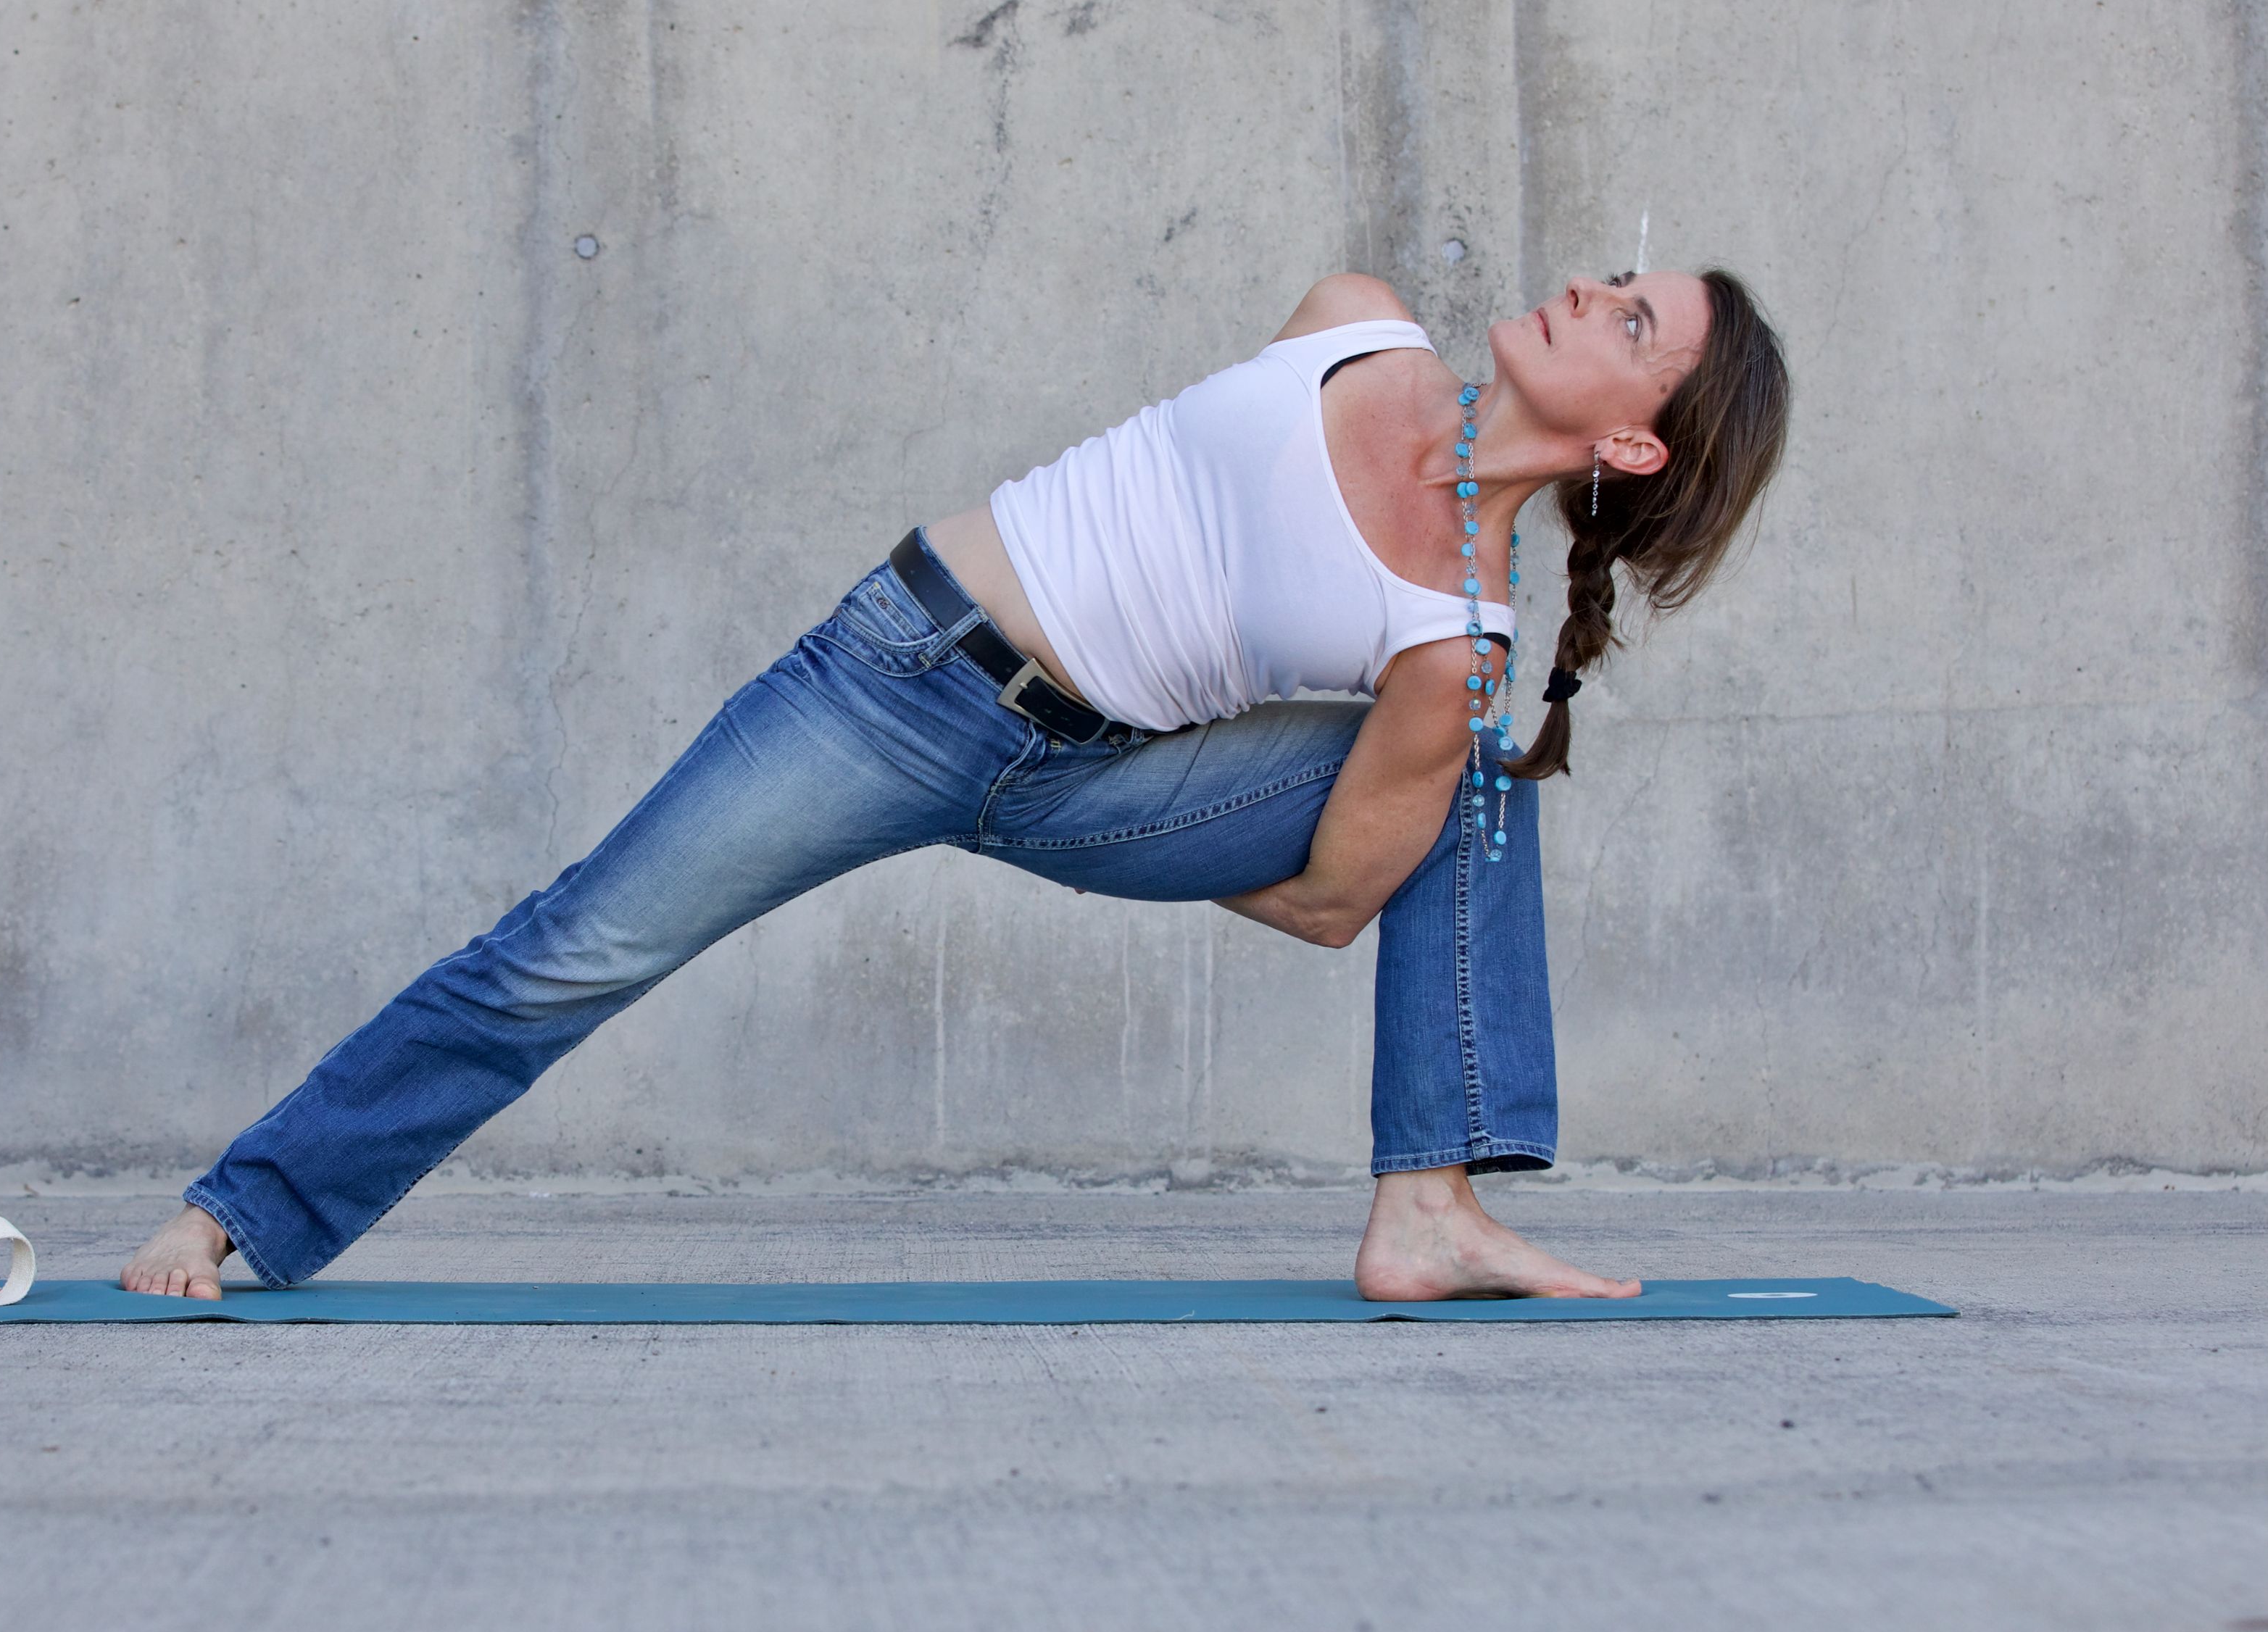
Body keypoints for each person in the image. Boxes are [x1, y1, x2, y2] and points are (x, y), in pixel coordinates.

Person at [122, 266, 1790, 1301]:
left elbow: (1336, 894)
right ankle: (239, 1209)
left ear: (1632, 445)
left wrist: (1088, 832)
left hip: (1090, 783)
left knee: (1486, 771)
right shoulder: (1358, 322)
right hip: (886, 684)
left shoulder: (1457, 637)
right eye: (1620, 280)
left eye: (1633, 322)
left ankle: (1427, 1206)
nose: (1591, 288)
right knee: (579, 946)